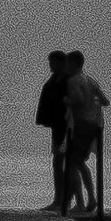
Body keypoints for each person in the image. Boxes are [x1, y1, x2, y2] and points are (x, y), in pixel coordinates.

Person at [57, 48, 107, 216]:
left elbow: (78, 99)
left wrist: (66, 100)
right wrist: (94, 103)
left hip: (80, 125)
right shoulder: (91, 80)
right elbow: (105, 101)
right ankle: (92, 198)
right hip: (93, 126)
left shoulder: (73, 81)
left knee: (70, 164)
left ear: (73, 64)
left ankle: (79, 203)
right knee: (80, 162)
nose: (65, 67)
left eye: (67, 64)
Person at [34, 49, 70, 210]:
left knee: (67, 163)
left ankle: (65, 200)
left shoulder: (68, 81)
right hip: (57, 126)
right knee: (58, 162)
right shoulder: (55, 79)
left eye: (52, 62)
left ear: (61, 63)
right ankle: (59, 199)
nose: (50, 65)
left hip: (67, 127)